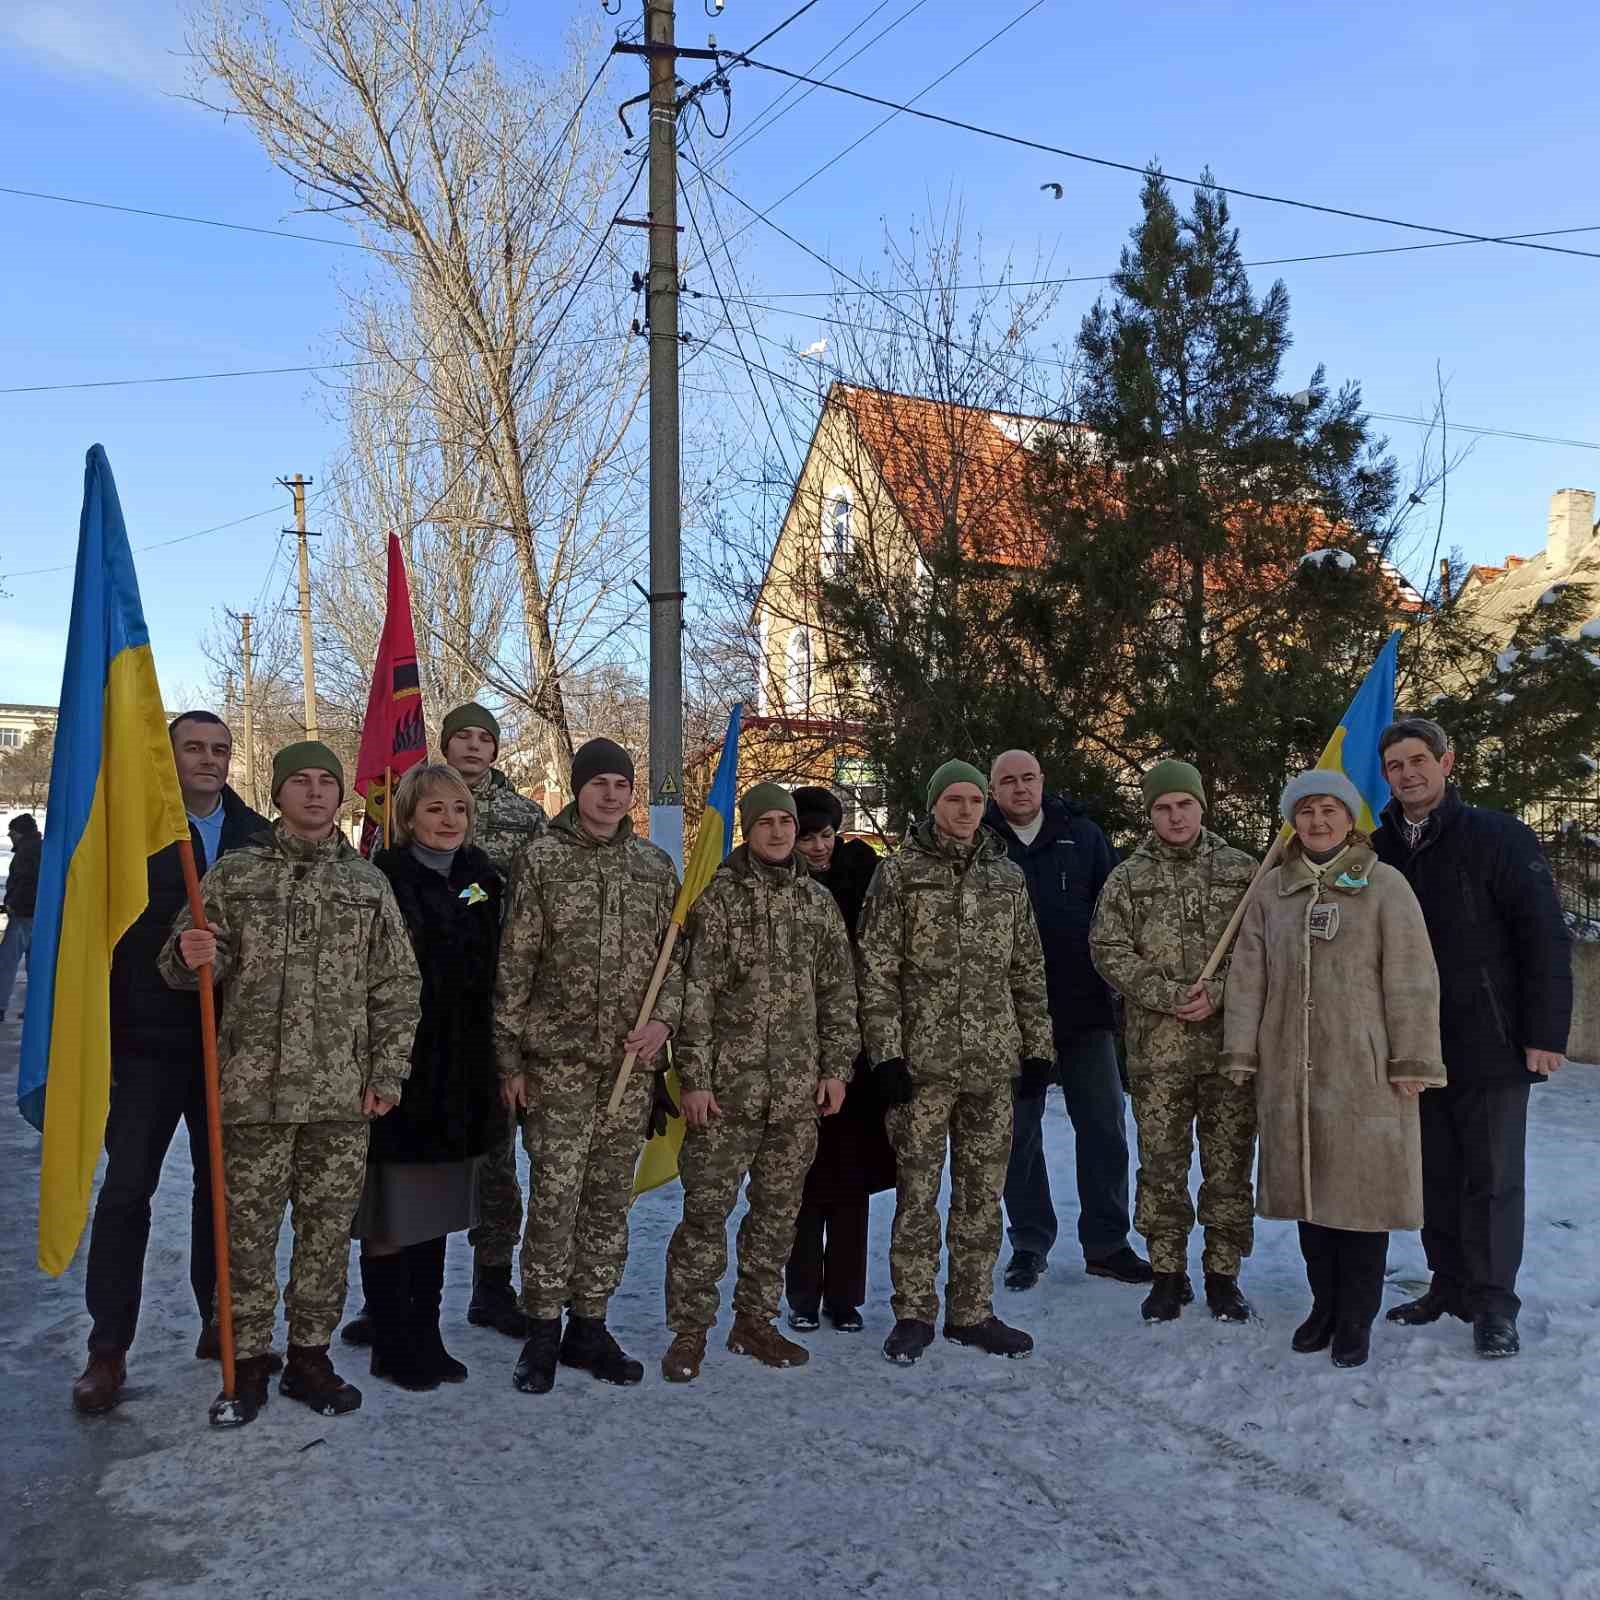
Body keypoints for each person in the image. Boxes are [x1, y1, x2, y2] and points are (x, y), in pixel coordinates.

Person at [162, 741, 420, 1427]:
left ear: (339, 796)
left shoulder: (367, 884)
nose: (313, 792)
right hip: (254, 1092)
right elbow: (182, 967)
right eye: (298, 781)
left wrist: (387, 1073)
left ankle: (310, 1356)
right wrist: (192, 954)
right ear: (277, 794)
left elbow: (397, 985)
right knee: (245, 1236)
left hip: (340, 1096)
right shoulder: (237, 875)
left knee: (325, 1235)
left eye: (325, 782)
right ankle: (247, 1361)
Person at [70, 712, 269, 1417]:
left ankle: (219, 1319)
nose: (209, 760)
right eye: (194, 748)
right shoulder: (131, 833)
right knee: (128, 1190)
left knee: (223, 1193)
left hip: (230, 1046)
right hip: (146, 1043)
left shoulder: (256, 837)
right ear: (170, 755)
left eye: (221, 749)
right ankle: (107, 1347)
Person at [1223, 771, 1445, 1368]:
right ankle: (1323, 1305)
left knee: (1361, 1196)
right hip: (1289, 1071)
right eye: (1306, 811)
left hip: (1364, 1071)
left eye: (1329, 810)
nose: (1317, 821)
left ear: (1350, 820)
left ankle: (1356, 1316)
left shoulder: (1384, 885)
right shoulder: (1272, 892)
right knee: (1310, 1192)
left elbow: (1412, 978)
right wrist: (1242, 1049)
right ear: (1292, 821)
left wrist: (1412, 1058)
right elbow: (1248, 977)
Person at [342, 701, 545, 1347]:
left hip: (473, 1042)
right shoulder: (386, 868)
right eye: (464, 737)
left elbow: (523, 925)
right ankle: (385, 1307)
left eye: (487, 738)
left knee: (489, 1175)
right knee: (390, 1177)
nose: (450, 818)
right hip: (403, 1046)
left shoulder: (512, 838)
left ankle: (490, 1287)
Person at [1372, 717, 1571, 1358]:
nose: (1408, 774)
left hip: (1492, 1038)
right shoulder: (1377, 850)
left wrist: (1545, 1031)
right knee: (1434, 1173)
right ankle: (1448, 1283)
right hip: (1412, 1044)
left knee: (1491, 1177)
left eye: (1418, 760)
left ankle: (1493, 1303)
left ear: (1446, 762)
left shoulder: (1498, 835)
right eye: (1396, 765)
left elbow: (1543, 935)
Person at [496, 738, 681, 1395]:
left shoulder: (653, 866)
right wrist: (510, 1059)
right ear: (578, 789)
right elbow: (515, 963)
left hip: (628, 1067)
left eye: (621, 784)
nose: (610, 795)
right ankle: (543, 1327)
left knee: (607, 1202)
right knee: (555, 1199)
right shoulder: (542, 859)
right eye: (598, 783)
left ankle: (590, 1324)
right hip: (559, 1066)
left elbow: (677, 959)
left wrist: (664, 1022)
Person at [858, 759, 1054, 1366]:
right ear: (934, 805)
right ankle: (914, 1312)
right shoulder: (900, 874)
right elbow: (877, 969)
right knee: (917, 1195)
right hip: (922, 1066)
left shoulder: (1006, 877)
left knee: (981, 1195)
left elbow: (1027, 967)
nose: (966, 810)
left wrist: (1038, 1046)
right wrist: (886, 1053)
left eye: (973, 800)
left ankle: (972, 1311)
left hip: (991, 1063)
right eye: (954, 800)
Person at [661, 785, 858, 1382]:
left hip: (796, 1094)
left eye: (785, 822)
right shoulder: (719, 900)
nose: (777, 832)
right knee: (705, 1216)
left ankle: (755, 1322)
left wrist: (836, 1069)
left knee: (776, 1216)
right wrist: (695, 1080)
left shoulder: (816, 902)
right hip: (726, 1093)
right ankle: (690, 1331)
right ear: (747, 829)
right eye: (766, 822)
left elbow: (837, 993)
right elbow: (696, 998)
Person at [1089, 760, 1259, 1325]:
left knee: (1228, 1166)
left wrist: (1221, 990)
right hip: (1159, 1053)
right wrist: (1164, 993)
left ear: (1201, 807)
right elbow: (1107, 948)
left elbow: (1263, 946)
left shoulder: (1243, 872)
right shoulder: (1128, 878)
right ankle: (1167, 1273)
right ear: (1150, 814)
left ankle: (1223, 1274)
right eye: (1163, 807)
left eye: (1184, 804)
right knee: (1161, 1166)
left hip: (1229, 1049)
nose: (1175, 816)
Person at [356, 763, 505, 1391]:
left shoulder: (484, 879)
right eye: (435, 809)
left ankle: (427, 1330)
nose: (449, 821)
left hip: (462, 1068)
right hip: (400, 1063)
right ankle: (392, 1338)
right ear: (408, 816)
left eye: (459, 809)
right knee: (392, 1210)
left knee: (438, 1209)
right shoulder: (383, 879)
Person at [985, 751, 1150, 1293]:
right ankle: (1029, 1242)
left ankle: (1107, 1243)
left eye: (1028, 778)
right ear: (992, 790)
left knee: (1103, 1126)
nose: (1020, 788)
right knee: (1018, 1133)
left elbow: (1116, 914)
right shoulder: (981, 842)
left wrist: (1118, 988)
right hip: (1008, 1016)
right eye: (1008, 781)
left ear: (1042, 781)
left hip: (1083, 1009)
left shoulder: (1083, 836)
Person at [783, 786, 894, 1334]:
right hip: (795, 1047)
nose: (818, 847)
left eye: (826, 835)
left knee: (850, 1177)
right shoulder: (782, 885)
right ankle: (803, 1293)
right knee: (802, 1176)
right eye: (807, 838)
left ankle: (845, 1296)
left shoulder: (865, 877)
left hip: (856, 1049)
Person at [1, 813, 41, 1022]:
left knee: (6, 961)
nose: (9, 836)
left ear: (21, 833)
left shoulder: (26, 851)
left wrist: (13, 904)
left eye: (12, 832)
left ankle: (0, 1006)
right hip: (39, 915)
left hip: (23, 915)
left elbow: (25, 881)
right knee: (36, 965)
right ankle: (36, 1007)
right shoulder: (41, 848)